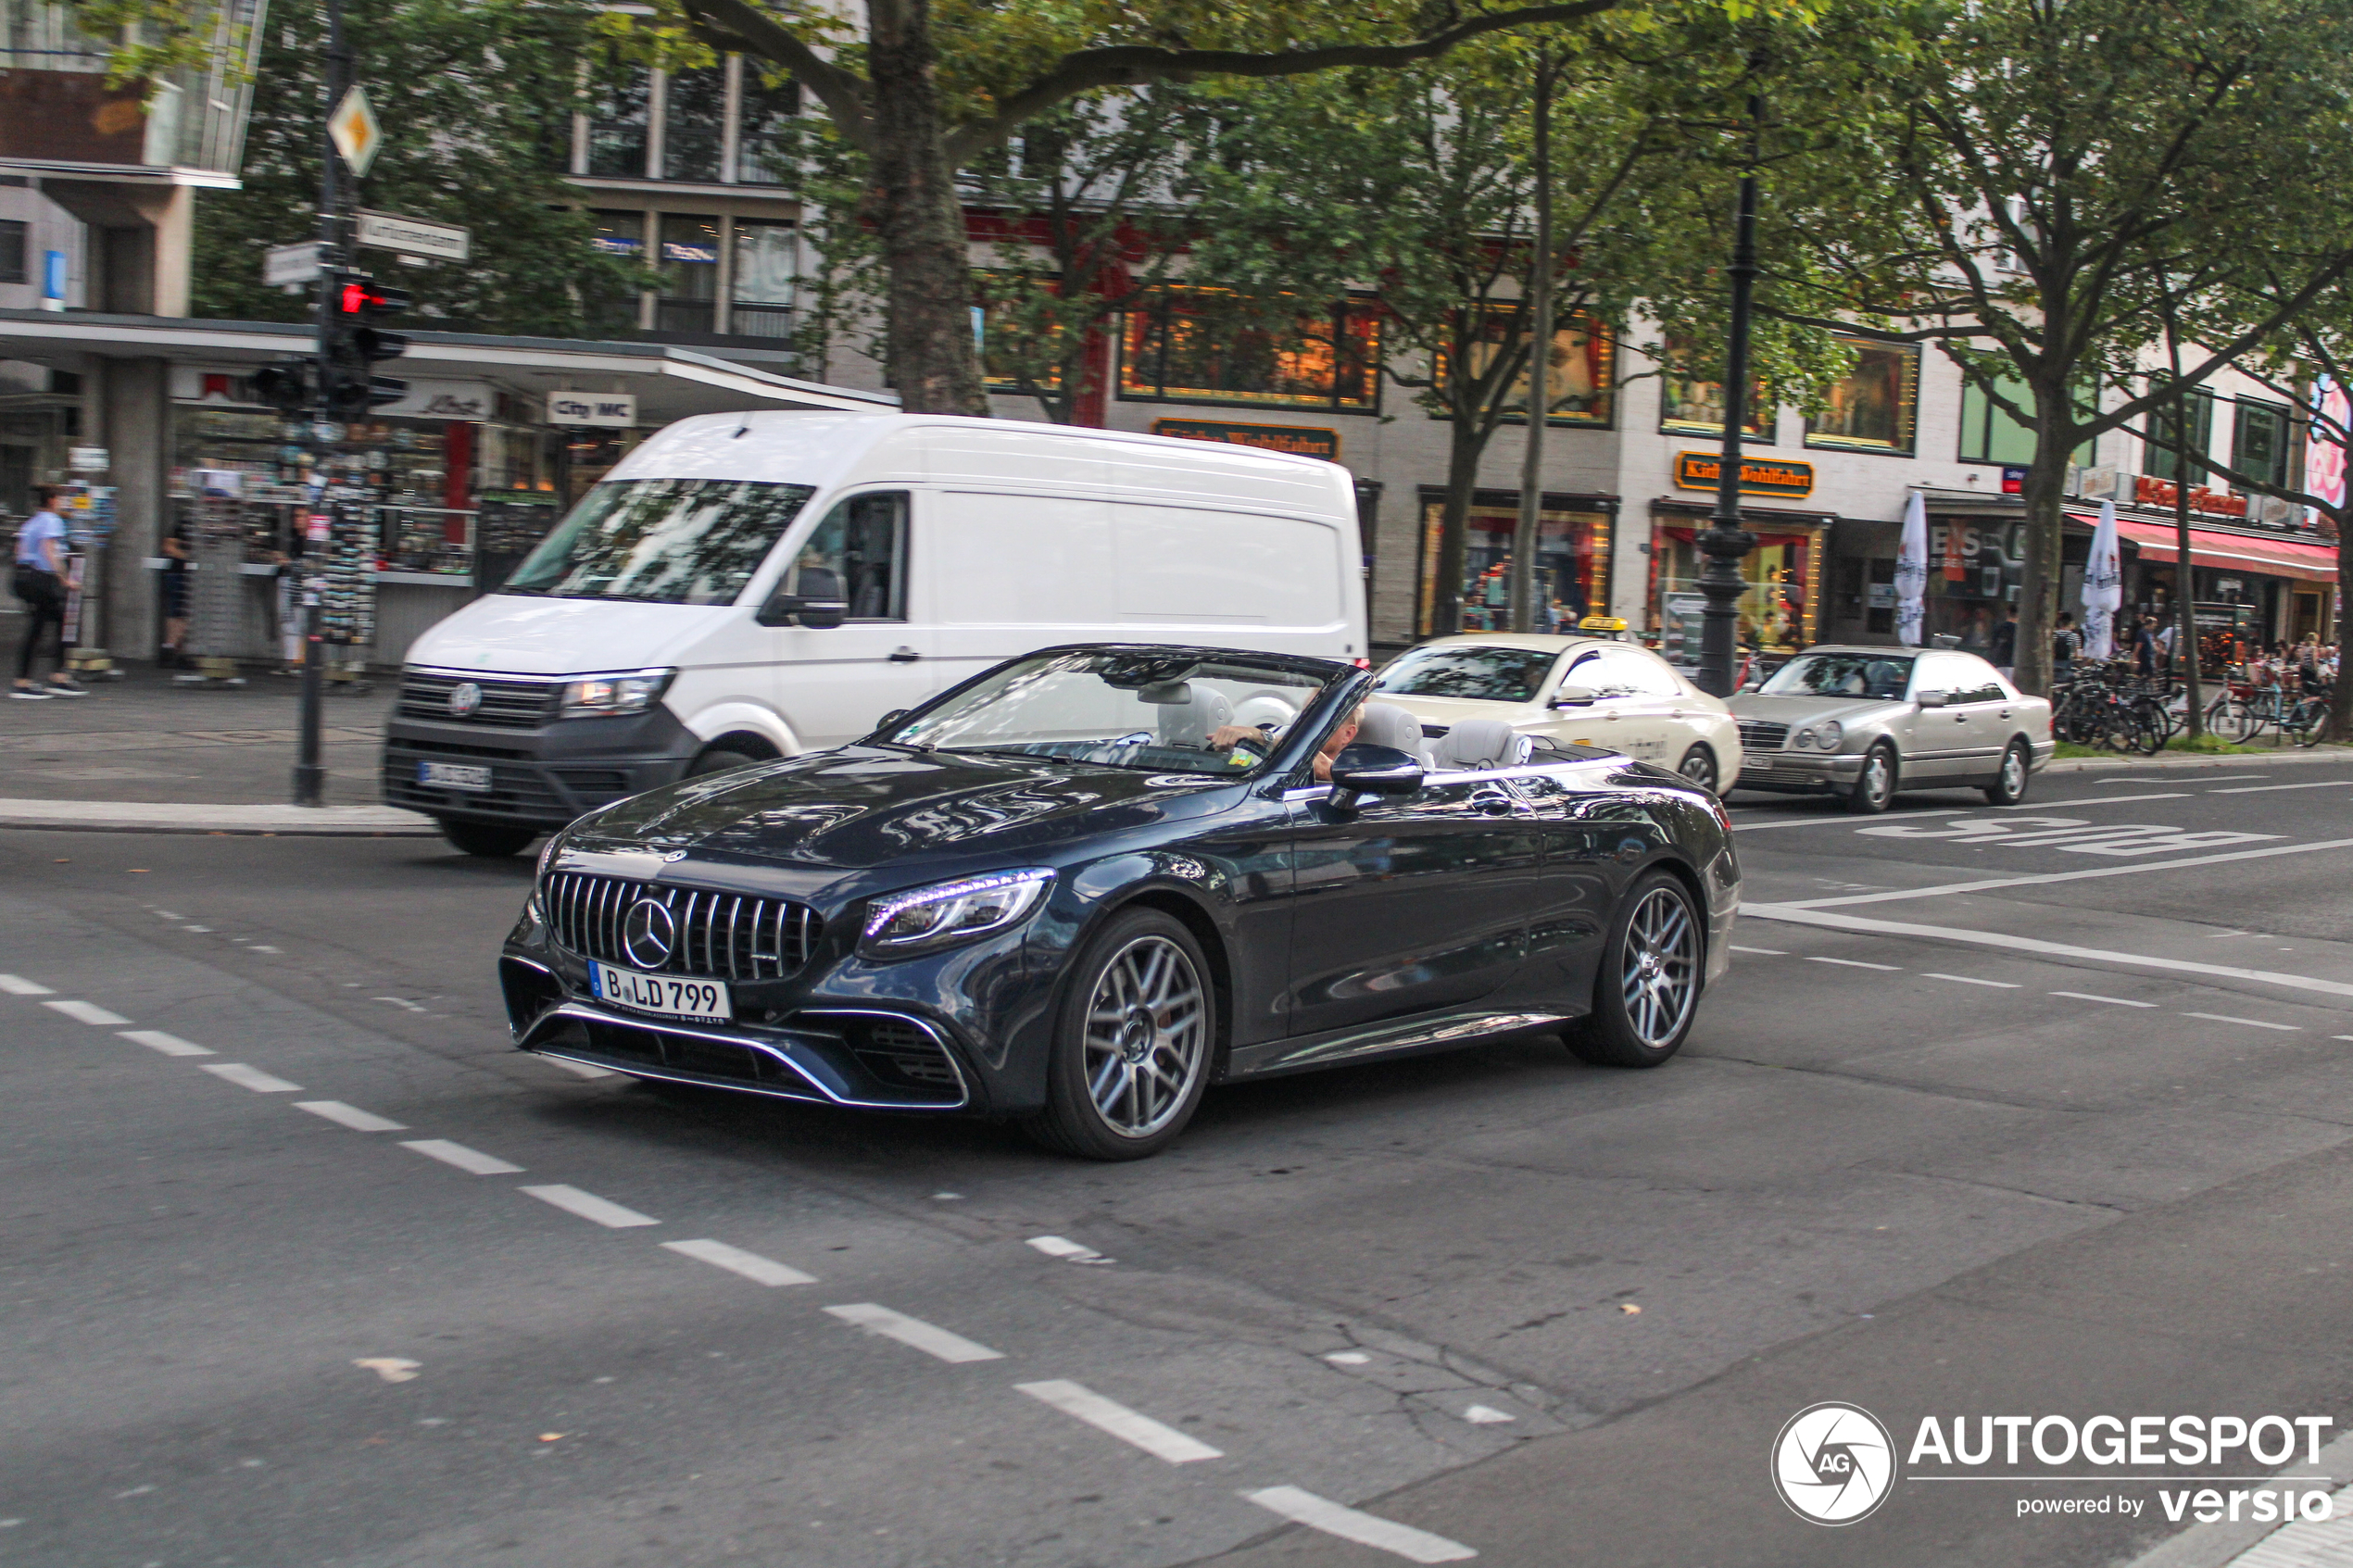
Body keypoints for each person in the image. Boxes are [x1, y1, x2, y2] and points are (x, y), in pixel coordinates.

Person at [12, 487, 85, 699]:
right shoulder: (52, 520)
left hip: (24, 578)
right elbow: (49, 550)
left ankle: (52, 678)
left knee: (51, 623)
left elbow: (19, 551)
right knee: (62, 624)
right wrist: (65, 579)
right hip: (41, 580)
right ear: (52, 500)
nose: (63, 502)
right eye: (61, 498)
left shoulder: (31, 522)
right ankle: (37, 681)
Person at [1211, 702, 1364, 783]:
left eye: (1320, 721)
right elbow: (1245, 762)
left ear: (1347, 734)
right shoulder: (1280, 734)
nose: (1307, 726)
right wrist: (1224, 757)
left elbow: (1322, 767)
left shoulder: (1355, 766)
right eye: (1305, 717)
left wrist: (1262, 738)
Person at [158, 515, 191, 668]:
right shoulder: (182, 526)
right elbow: (168, 547)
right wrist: (187, 557)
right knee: (179, 614)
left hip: (179, 573)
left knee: (179, 614)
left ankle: (177, 651)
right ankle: (170, 649)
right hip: (177, 574)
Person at [2051, 612, 2082, 682]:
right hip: (2068, 662)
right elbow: (2078, 654)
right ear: (2071, 624)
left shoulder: (2054, 634)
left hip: (2055, 661)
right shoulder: (2075, 636)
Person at [1989, 604, 2019, 676]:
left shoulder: (2000, 628)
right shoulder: (2020, 631)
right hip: (2014, 664)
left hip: (2000, 663)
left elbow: (1993, 644)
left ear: (2007, 612)